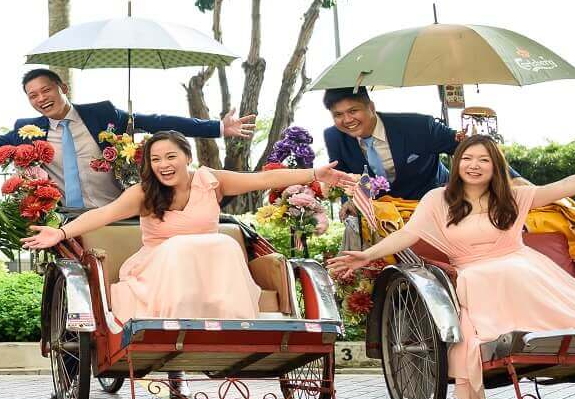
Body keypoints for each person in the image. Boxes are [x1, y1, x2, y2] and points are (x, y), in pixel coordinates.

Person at [328, 135, 575, 399]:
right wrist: (367, 255)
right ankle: (514, 339)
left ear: (496, 166)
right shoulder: (437, 200)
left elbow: (563, 187)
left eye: (483, 160)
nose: (474, 165)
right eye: (466, 159)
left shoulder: (511, 195)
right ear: (456, 165)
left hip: (522, 264)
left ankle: (559, 338)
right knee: (487, 277)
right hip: (473, 270)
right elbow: (408, 234)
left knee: (516, 270)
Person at [24, 131, 358, 322]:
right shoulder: (143, 192)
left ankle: (232, 321)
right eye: (155, 160)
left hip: (212, 268)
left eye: (170, 157)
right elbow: (104, 214)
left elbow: (264, 179)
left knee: (225, 242)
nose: (163, 165)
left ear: (186, 156)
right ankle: (177, 321)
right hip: (159, 268)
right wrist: (62, 232)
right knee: (183, 245)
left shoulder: (212, 181)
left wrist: (314, 174)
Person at [0, 68, 255, 210]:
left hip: (121, 207)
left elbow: (154, 122)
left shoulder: (101, 114)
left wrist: (217, 128)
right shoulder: (26, 130)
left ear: (62, 88)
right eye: (32, 95)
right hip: (68, 216)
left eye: (45, 90)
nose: (40, 98)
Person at [319, 86, 518, 201]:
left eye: (353, 111)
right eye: (338, 114)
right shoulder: (334, 137)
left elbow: (468, 147)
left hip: (437, 202)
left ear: (371, 107)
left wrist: (513, 180)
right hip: (384, 218)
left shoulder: (419, 126)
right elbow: (343, 178)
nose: (347, 120)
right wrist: (349, 203)